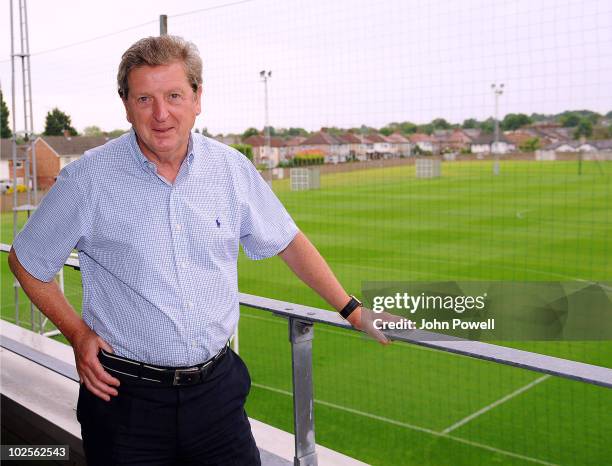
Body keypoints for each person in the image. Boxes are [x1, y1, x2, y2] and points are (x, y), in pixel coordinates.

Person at [8, 35, 387, 465]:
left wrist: (353, 310)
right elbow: (27, 260)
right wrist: (77, 334)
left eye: (174, 95)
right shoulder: (88, 179)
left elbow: (288, 241)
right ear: (126, 105)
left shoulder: (231, 169)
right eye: (145, 98)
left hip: (217, 398)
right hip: (124, 401)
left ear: (197, 97)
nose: (161, 113)